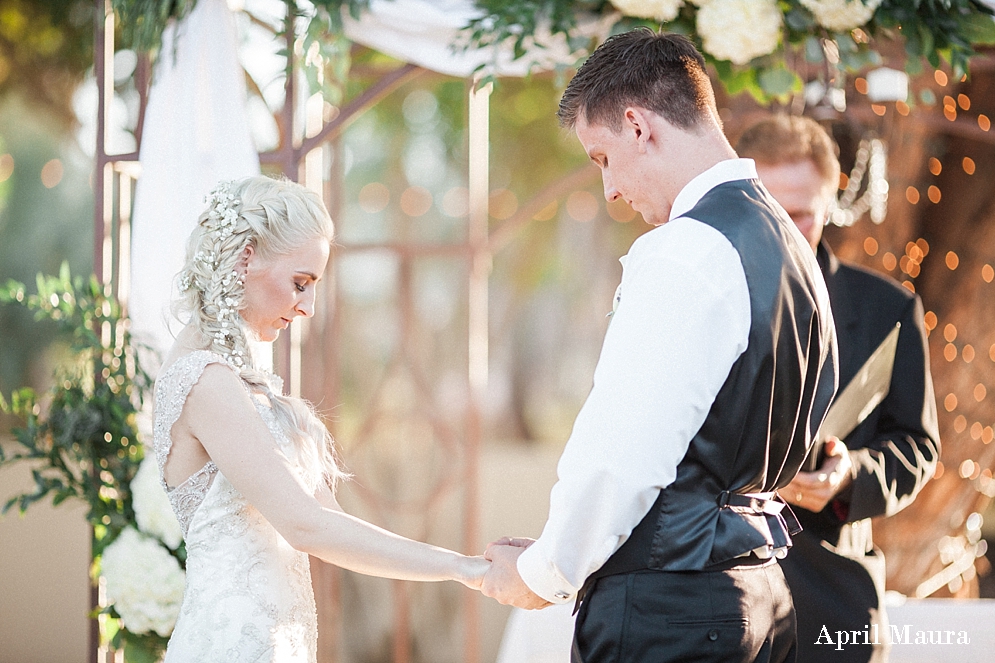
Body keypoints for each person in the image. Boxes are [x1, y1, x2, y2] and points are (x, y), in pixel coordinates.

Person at [481, 29, 838, 662]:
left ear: (636, 124)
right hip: (760, 592)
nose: (610, 189)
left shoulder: (688, 250)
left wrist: (542, 574)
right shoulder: (792, 246)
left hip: (672, 608)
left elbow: (624, 453)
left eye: (602, 158)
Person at [153, 176, 488, 661]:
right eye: (300, 284)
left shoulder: (240, 379)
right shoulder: (203, 380)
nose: (308, 307)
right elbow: (305, 526)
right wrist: (462, 568)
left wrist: (464, 566)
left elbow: (328, 520)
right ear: (247, 258)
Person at [737, 115, 940, 663]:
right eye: (770, 211)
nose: (783, 227)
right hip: (718, 600)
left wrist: (850, 474)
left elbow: (917, 447)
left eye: (800, 214)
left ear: (830, 203)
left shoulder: (888, 310)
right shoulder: (705, 298)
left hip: (834, 599)